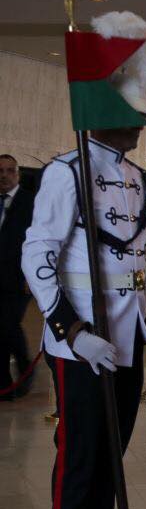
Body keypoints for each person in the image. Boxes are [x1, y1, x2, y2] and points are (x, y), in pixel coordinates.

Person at [21, 11, 146, 509]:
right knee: (83, 454)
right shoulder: (68, 174)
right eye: (133, 121)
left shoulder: (135, 178)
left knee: (112, 455)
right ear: (108, 119)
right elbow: (37, 252)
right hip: (82, 336)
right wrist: (68, 325)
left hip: (127, 332)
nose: (141, 130)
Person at [0, 154, 35, 399]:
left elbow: (36, 242)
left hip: (18, 279)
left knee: (7, 325)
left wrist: (31, 277)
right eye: (0, 171)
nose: (4, 175)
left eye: (9, 170)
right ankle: (3, 385)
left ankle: (25, 371)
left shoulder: (31, 203)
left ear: (18, 174)